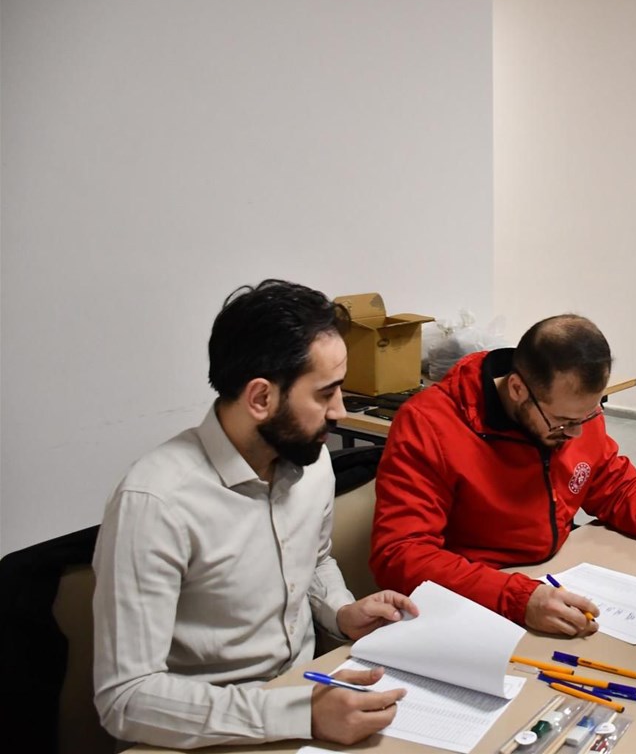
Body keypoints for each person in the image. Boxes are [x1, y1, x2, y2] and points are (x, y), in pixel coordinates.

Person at [93, 280, 419, 749]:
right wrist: (300, 715)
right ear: (261, 398)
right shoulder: (155, 503)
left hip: (308, 694)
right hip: (209, 730)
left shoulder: (310, 462)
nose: (339, 412)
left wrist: (341, 612)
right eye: (325, 393)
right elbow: (126, 699)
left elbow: (314, 559)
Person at [370, 314, 636, 636]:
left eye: (589, 415)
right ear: (518, 389)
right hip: (477, 598)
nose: (576, 434)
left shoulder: (575, 414)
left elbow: (614, 486)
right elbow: (400, 554)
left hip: (551, 580)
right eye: (563, 422)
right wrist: (517, 598)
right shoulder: (429, 425)